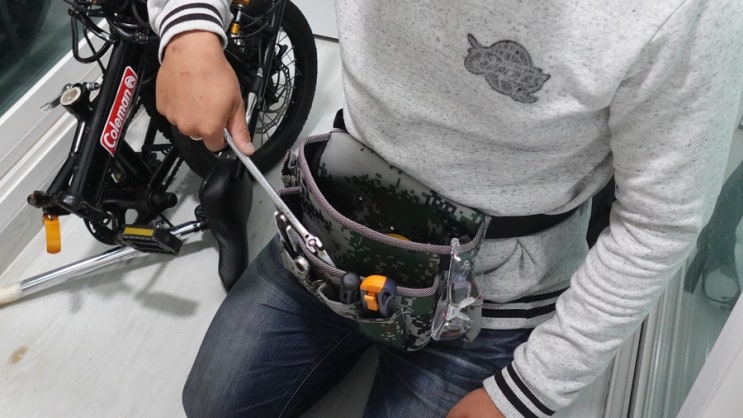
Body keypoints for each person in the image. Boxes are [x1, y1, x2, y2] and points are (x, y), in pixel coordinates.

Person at [147, 0, 743, 417]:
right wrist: (189, 30)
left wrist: (526, 391)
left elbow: (659, 222)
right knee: (212, 404)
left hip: (491, 295)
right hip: (336, 227)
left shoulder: (683, 14)